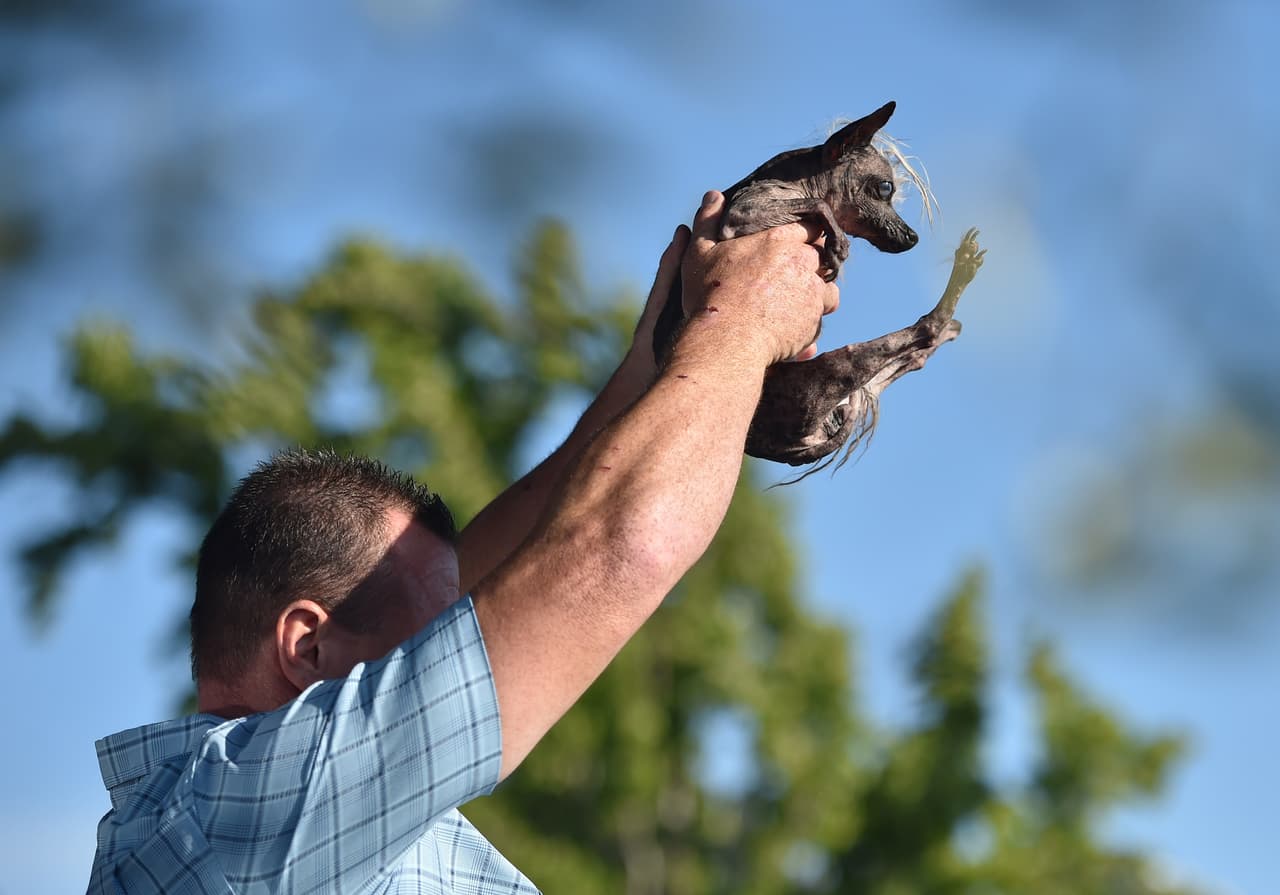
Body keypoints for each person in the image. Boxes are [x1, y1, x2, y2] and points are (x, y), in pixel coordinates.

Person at [86, 191, 839, 894]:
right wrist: (739, 323)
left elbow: (527, 567)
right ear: (307, 648)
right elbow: (611, 551)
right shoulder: (249, 813)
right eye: (428, 647)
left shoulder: (261, 820)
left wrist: (657, 363)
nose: (459, 651)